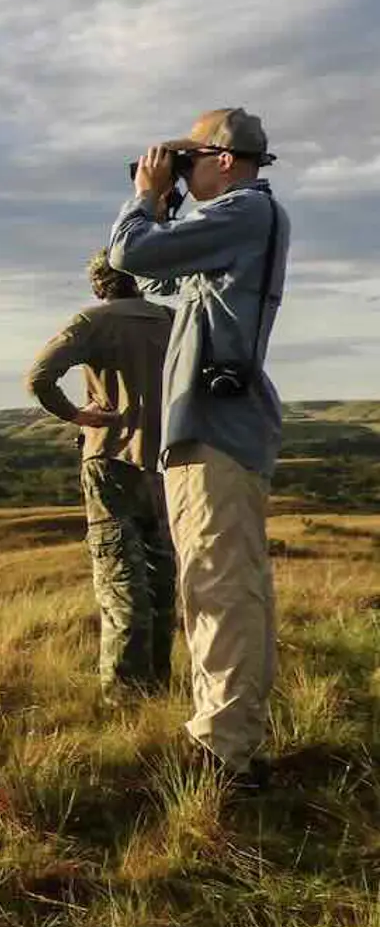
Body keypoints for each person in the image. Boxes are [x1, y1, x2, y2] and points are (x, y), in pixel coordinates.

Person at [109, 108, 288, 784]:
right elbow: (154, 280)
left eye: (189, 162)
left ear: (222, 158)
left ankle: (225, 751)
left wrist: (148, 199)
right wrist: (171, 202)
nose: (180, 172)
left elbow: (129, 253)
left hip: (217, 426)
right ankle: (227, 735)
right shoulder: (234, 227)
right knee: (220, 584)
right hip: (210, 427)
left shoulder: (246, 211)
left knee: (220, 587)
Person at [27, 251, 176, 699]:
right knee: (160, 583)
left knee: (120, 583)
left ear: (98, 284)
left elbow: (38, 377)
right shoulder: (170, 320)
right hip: (167, 464)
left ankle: (125, 699)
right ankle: (159, 690)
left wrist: (78, 415)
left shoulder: (92, 321)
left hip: (110, 461)